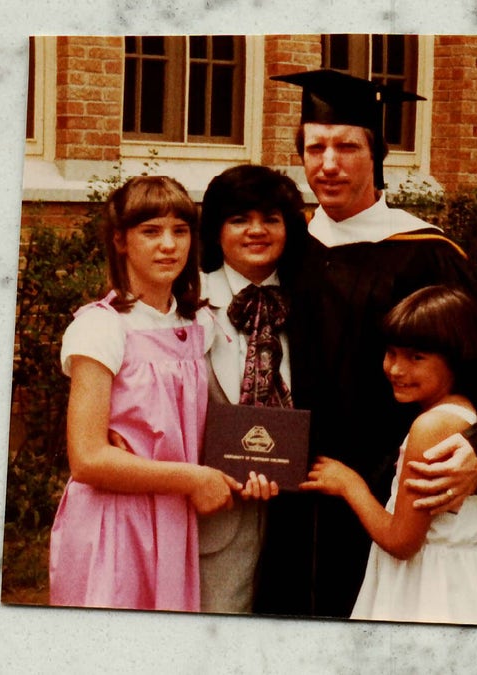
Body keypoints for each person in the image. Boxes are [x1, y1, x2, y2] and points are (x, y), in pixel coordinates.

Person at [254, 69, 477, 618]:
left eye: (347, 146)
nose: (328, 163)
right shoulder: (291, 247)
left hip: (389, 496)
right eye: (315, 147)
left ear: (377, 152)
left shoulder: (426, 253)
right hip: (294, 497)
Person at [48, 175, 244, 612]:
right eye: (150, 231)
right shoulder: (102, 328)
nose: (169, 245)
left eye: (180, 230)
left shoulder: (200, 327)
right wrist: (192, 477)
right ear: (120, 241)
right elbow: (88, 458)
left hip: (174, 519)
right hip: (114, 520)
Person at [301, 285, 477, 624]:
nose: (396, 369)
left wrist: (349, 485)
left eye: (416, 357)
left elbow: (402, 541)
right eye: (391, 353)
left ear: (458, 357)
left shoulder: (431, 427)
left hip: (427, 590)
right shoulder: (462, 412)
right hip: (459, 580)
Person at [196, 164, 309, 613]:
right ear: (217, 230)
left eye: (271, 219)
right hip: (215, 520)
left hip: (301, 522)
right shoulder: (185, 304)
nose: (256, 231)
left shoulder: (315, 302)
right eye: (239, 219)